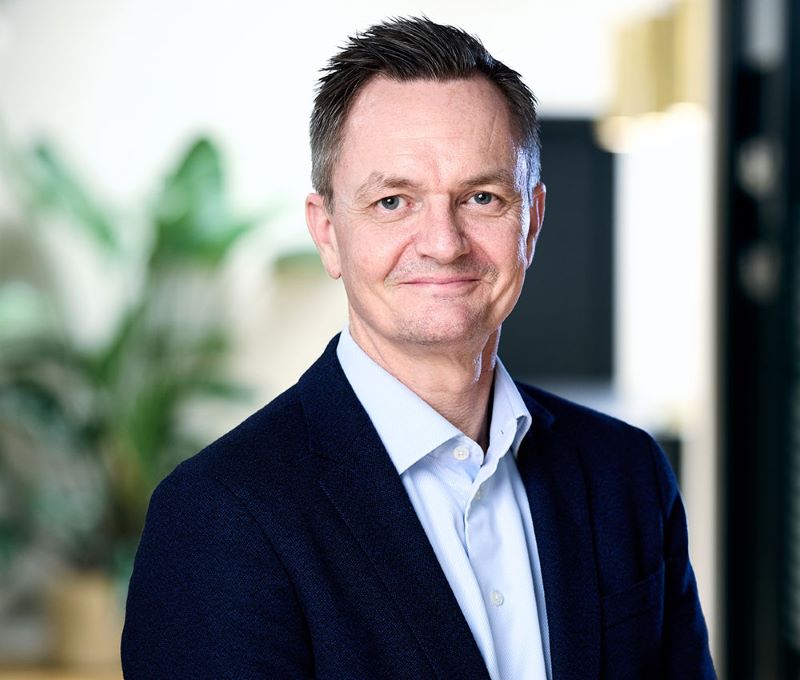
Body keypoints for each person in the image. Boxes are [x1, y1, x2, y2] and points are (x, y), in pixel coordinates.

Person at [121, 17, 716, 680]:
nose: (443, 242)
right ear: (327, 233)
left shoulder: (625, 474)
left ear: (532, 223)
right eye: (393, 201)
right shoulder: (218, 518)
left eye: (482, 197)